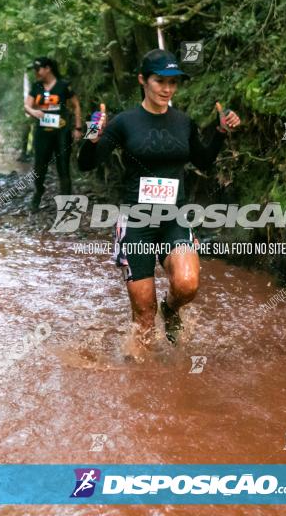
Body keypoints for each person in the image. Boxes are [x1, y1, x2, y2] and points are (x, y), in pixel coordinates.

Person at [78, 49, 240, 350]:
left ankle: (172, 309)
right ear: (143, 80)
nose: (167, 89)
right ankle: (141, 384)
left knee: (187, 284)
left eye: (173, 82)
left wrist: (219, 132)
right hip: (136, 222)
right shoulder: (125, 123)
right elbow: (86, 164)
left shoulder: (183, 122)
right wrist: (92, 137)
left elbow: (203, 161)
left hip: (174, 219)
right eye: (159, 81)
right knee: (144, 315)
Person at [23, 56, 83, 210]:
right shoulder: (36, 87)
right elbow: (27, 106)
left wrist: (77, 128)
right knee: (39, 166)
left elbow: (76, 105)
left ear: (48, 68)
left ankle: (66, 202)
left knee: (63, 166)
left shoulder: (63, 85)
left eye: (38, 69)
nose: (36, 72)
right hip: (42, 133)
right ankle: (38, 192)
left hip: (61, 132)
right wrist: (34, 112)